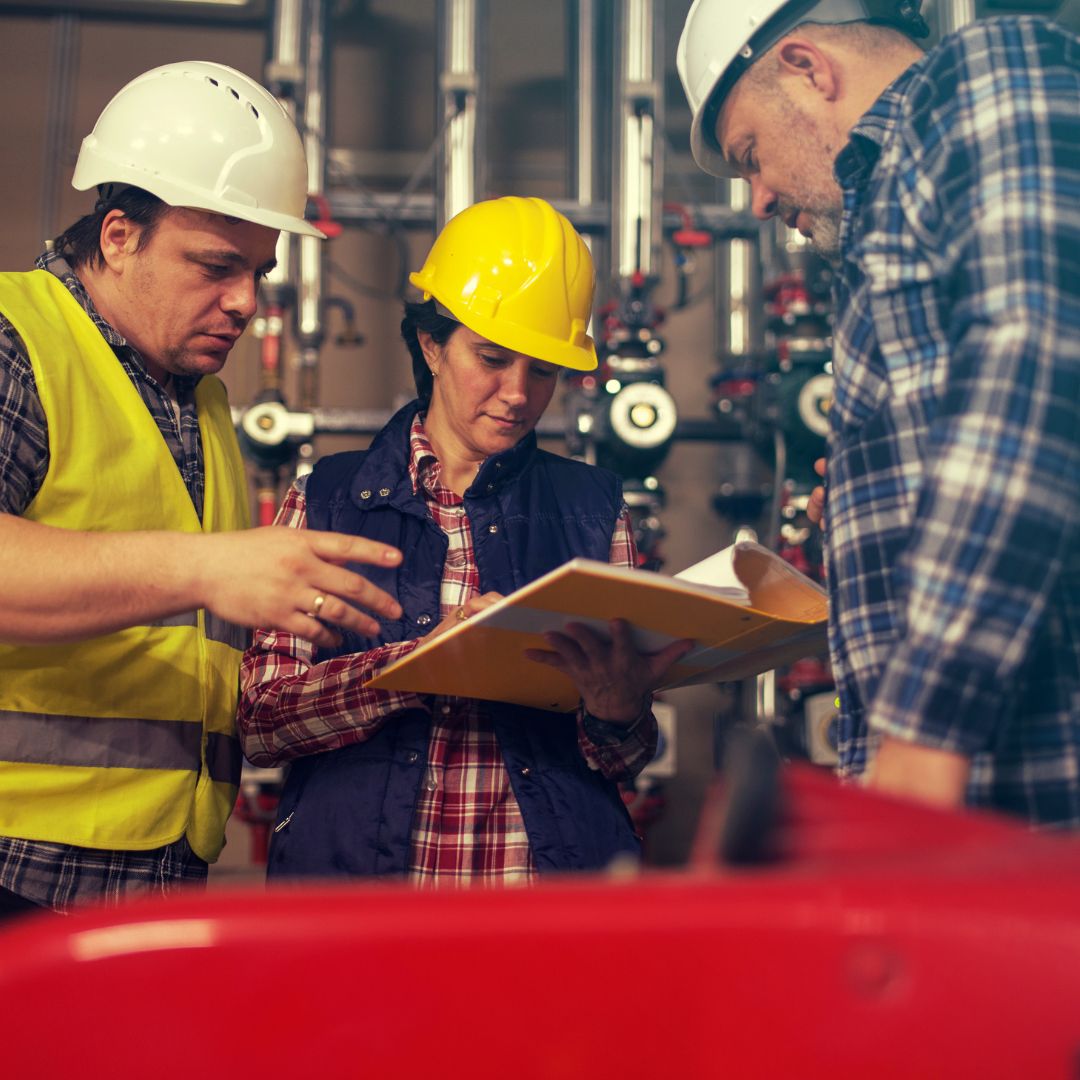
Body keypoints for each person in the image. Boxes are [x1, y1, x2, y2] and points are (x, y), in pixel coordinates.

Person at [0, 61, 405, 917]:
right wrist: (207, 570)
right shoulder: (17, 340)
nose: (244, 302)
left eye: (259, 271)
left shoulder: (198, 400)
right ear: (118, 235)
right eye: (217, 266)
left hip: (153, 868)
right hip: (18, 864)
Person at [678, 0, 1080, 825]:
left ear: (808, 69)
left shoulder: (985, 75)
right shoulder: (882, 221)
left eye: (750, 156)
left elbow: (1033, 361)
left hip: (1030, 785)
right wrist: (870, 510)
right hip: (979, 795)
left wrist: (925, 732)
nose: (755, 200)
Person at [238, 196, 694, 883]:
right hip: (365, 917)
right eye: (492, 358)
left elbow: (622, 759)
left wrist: (616, 710)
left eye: (543, 370)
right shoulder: (327, 500)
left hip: (543, 921)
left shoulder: (594, 511)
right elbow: (261, 723)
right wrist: (415, 668)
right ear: (431, 344)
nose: (517, 394)